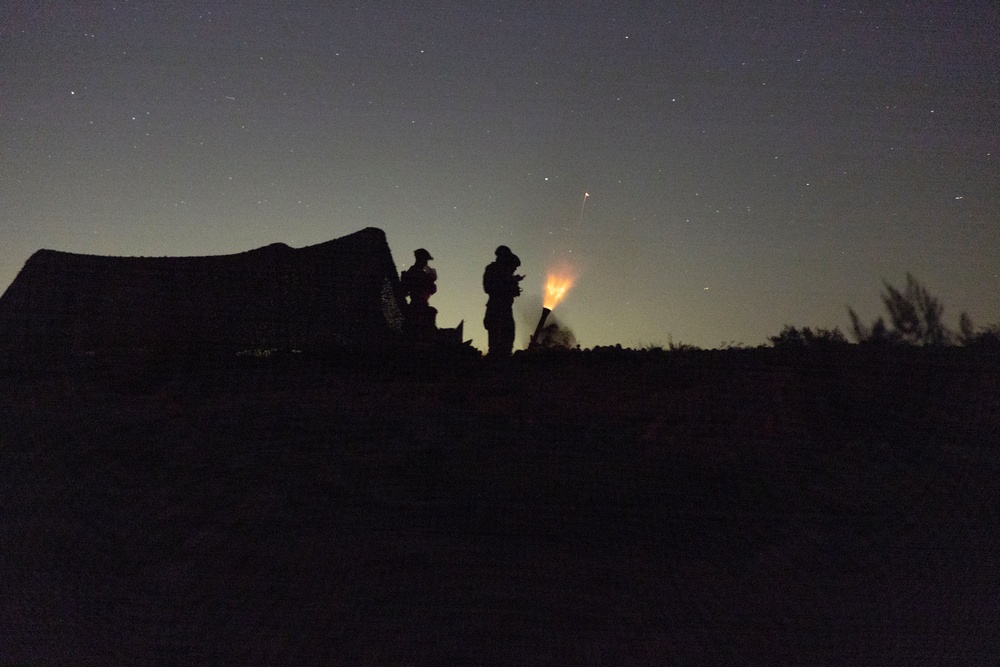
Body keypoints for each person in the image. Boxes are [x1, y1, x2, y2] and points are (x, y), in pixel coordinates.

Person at [482, 245, 524, 357]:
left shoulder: (497, 271)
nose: (514, 270)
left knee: (507, 337)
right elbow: (489, 288)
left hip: (504, 308)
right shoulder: (493, 270)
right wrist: (510, 282)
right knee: (498, 339)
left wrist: (512, 285)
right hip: (496, 308)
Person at [400, 248, 438, 339]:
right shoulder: (417, 273)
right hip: (418, 305)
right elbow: (431, 289)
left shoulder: (413, 272)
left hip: (418, 304)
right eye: (425, 260)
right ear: (420, 259)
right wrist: (431, 279)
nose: (426, 263)